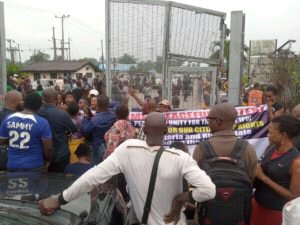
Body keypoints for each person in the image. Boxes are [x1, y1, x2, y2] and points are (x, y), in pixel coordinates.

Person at [38, 112, 216, 224]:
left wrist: (60, 199)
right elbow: (209, 190)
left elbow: (93, 177)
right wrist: (180, 199)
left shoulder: (128, 149)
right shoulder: (181, 158)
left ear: (144, 131)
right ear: (166, 132)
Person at [193, 103, 257, 224]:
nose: (207, 122)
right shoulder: (248, 148)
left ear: (218, 121)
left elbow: (194, 181)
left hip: (208, 215)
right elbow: (252, 180)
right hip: (239, 214)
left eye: (209, 119)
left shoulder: (201, 148)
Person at [251, 115, 300, 225]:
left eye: (271, 132)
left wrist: (263, 178)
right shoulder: (271, 147)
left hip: (276, 213)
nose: (268, 135)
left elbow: (293, 196)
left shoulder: (296, 161)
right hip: (258, 206)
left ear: (283, 135)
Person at [0, 93, 53, 172]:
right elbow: (48, 148)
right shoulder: (42, 122)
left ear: (24, 103)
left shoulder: (8, 118)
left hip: (13, 164)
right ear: (40, 106)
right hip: (35, 165)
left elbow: (1, 141)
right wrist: (49, 161)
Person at [38, 88, 78, 172]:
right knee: (60, 181)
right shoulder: (62, 114)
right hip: (60, 154)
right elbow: (74, 129)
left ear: (43, 98)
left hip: (41, 153)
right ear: (57, 98)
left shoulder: (37, 113)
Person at [82, 95, 116, 164]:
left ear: (98, 105)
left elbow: (85, 131)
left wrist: (86, 117)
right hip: (109, 145)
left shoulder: (94, 120)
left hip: (97, 148)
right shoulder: (113, 116)